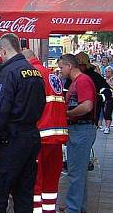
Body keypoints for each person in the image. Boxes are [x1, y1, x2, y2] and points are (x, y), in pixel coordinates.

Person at [0, 33, 45, 213]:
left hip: (11, 140)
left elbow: (0, 109)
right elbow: (40, 104)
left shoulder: (9, 72)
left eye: (0, 53)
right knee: (24, 193)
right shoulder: (35, 72)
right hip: (31, 136)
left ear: (3, 50)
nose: (0, 57)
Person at [22, 49, 68, 213]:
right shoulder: (52, 75)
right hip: (56, 138)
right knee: (51, 182)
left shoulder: (31, 75)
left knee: (35, 182)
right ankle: (49, 210)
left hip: (39, 136)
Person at [59, 54, 96, 213]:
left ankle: (73, 209)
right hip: (80, 129)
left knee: (75, 173)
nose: (60, 71)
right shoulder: (79, 81)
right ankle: (78, 206)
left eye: (61, 67)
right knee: (78, 172)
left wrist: (67, 114)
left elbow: (87, 106)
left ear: (69, 66)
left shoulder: (82, 81)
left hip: (81, 129)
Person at [75, 52, 110, 133]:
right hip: (73, 119)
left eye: (80, 65)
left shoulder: (95, 77)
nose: (78, 67)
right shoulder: (71, 77)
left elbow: (108, 92)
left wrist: (97, 99)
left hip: (89, 120)